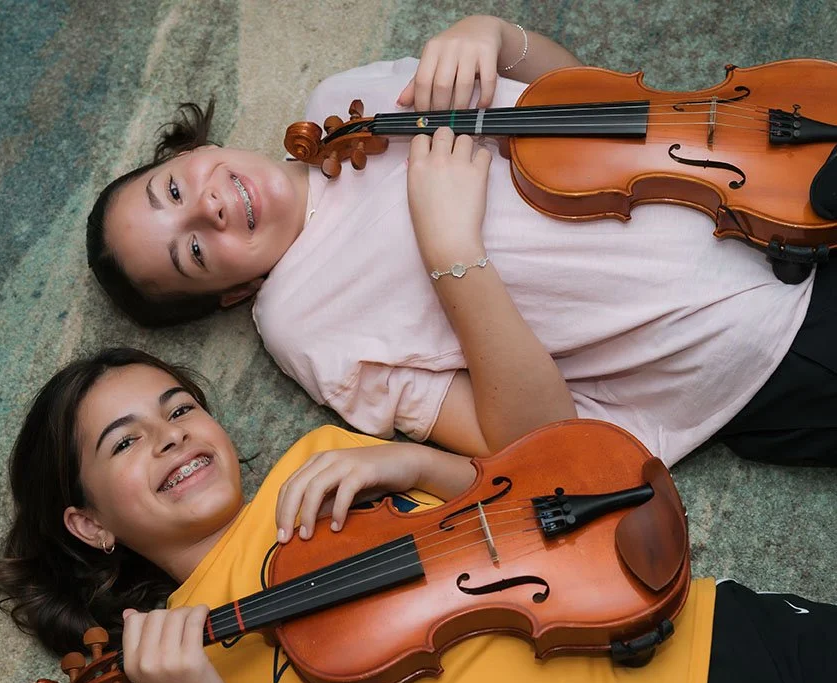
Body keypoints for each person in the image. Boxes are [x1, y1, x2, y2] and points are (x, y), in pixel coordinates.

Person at [84, 14, 837, 468]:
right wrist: (448, 247)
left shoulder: (348, 97)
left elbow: (603, 107)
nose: (207, 209)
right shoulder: (302, 325)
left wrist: (499, 39)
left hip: (755, 161)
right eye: (191, 250)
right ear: (231, 292)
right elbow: (533, 438)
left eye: (174, 190)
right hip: (764, 344)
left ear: (186, 155)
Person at [0, 347, 837, 683]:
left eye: (180, 408)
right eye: (123, 441)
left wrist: (417, 467)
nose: (170, 435)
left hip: (705, 643)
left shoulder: (314, 467)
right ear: (89, 523)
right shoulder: (164, 673)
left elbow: (538, 507)